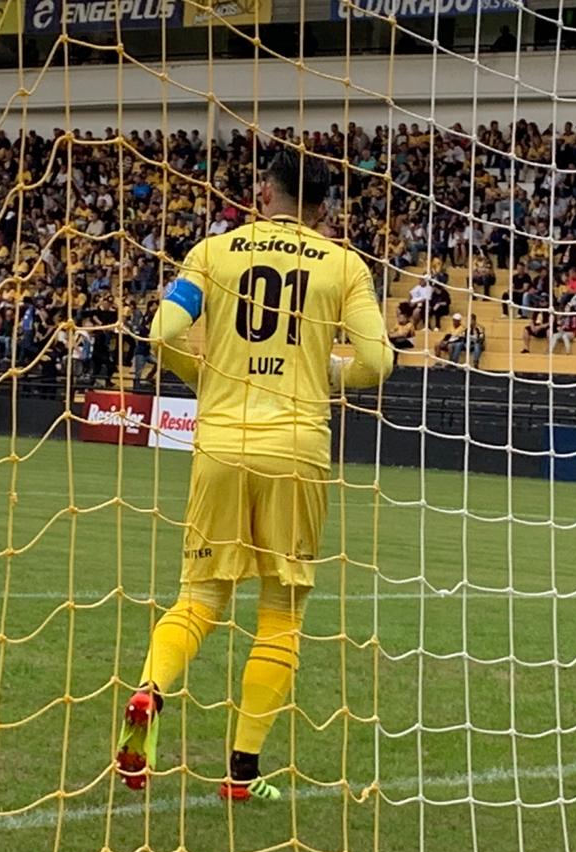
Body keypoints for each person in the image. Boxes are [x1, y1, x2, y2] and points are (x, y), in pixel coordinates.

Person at [115, 147, 393, 802]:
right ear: (323, 209)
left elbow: (160, 332)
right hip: (297, 449)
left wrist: (207, 378)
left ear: (263, 193)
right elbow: (377, 364)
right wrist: (332, 376)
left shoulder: (214, 253)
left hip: (220, 446)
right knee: (281, 612)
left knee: (202, 597)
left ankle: (150, 690)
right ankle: (241, 774)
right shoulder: (345, 266)